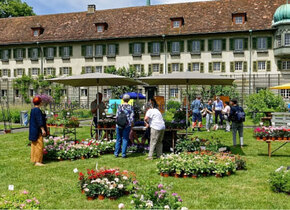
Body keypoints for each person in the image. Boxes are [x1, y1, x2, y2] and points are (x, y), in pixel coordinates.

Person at [29, 96, 47, 166]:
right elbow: (39, 121)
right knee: (39, 145)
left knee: (34, 145)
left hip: (33, 130)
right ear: (40, 102)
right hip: (37, 131)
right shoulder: (37, 110)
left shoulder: (33, 110)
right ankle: (38, 161)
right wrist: (43, 130)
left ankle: (34, 160)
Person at [114, 94, 134, 158]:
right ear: (129, 100)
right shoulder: (131, 107)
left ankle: (116, 153)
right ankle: (123, 154)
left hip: (119, 125)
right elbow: (132, 117)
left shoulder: (119, 106)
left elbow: (116, 116)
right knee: (125, 139)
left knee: (118, 139)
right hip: (127, 125)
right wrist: (131, 124)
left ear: (123, 99)